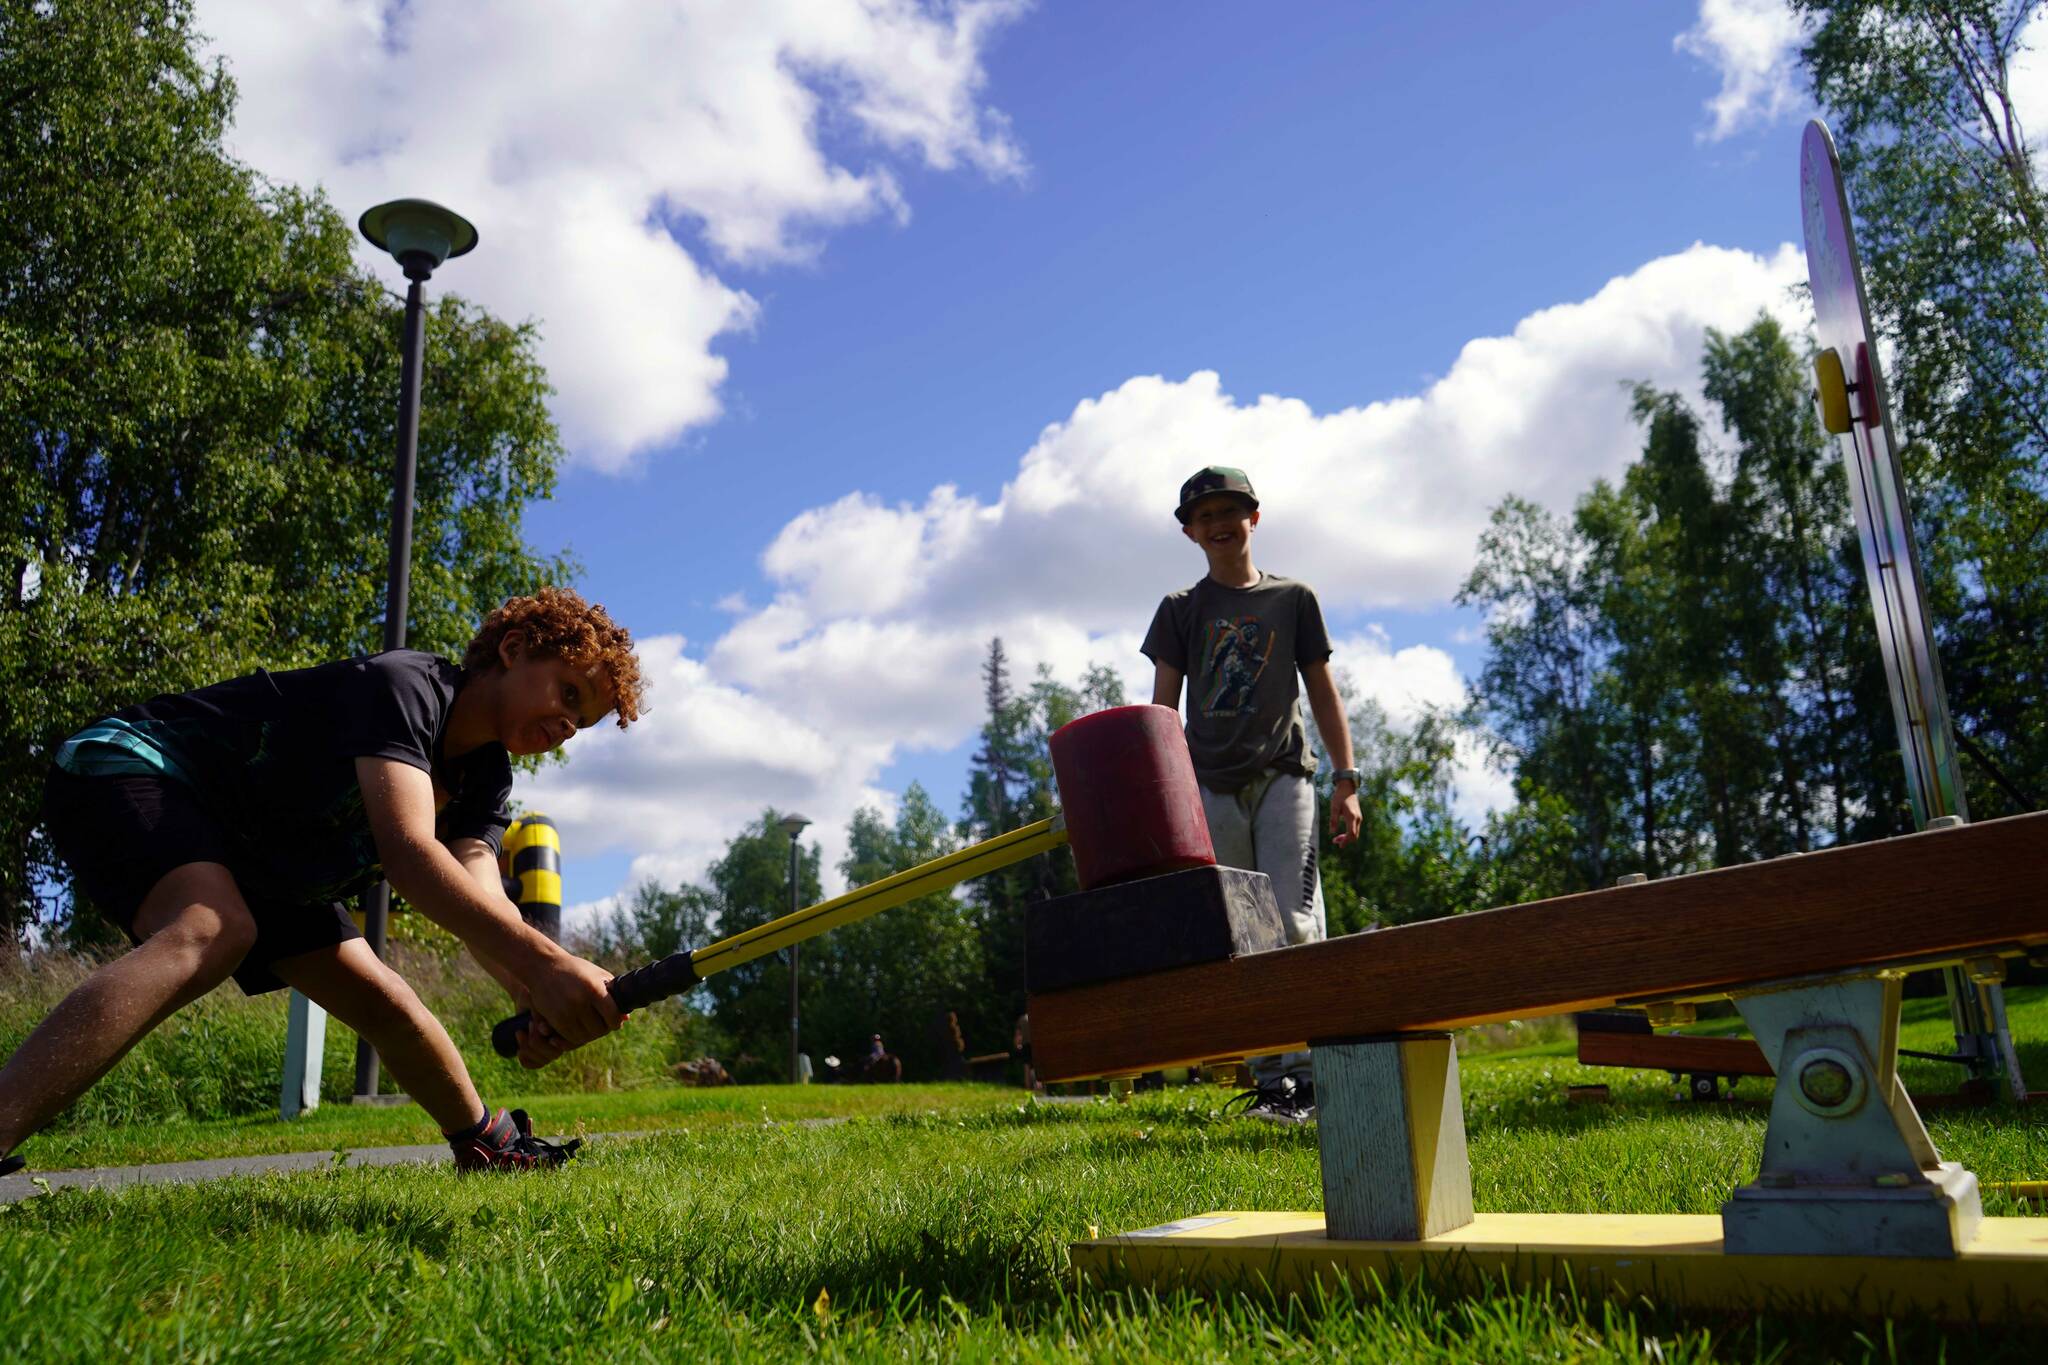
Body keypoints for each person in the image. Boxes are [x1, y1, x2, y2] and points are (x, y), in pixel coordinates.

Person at [0, 587, 643, 1176]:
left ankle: (485, 1143)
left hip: (268, 861)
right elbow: (411, 856)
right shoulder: (408, 687)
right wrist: (549, 964)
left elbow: (475, 888)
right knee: (210, 929)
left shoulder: (488, 781)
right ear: (513, 649)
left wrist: (529, 985)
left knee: (388, 1003)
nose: (566, 727)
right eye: (567, 695)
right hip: (137, 766)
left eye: (579, 725)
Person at [1141, 467, 1363, 1122]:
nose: (1218, 524)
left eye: (1229, 510)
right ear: (1189, 531)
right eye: (1204, 515)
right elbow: (1161, 709)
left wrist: (1346, 779)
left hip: (1283, 773)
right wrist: (1166, 801)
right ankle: (1275, 1082)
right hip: (1209, 784)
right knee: (1247, 932)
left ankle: (1315, 1074)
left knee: (1295, 922)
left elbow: (1322, 689)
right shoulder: (1180, 610)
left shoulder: (1292, 599)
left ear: (1254, 518)